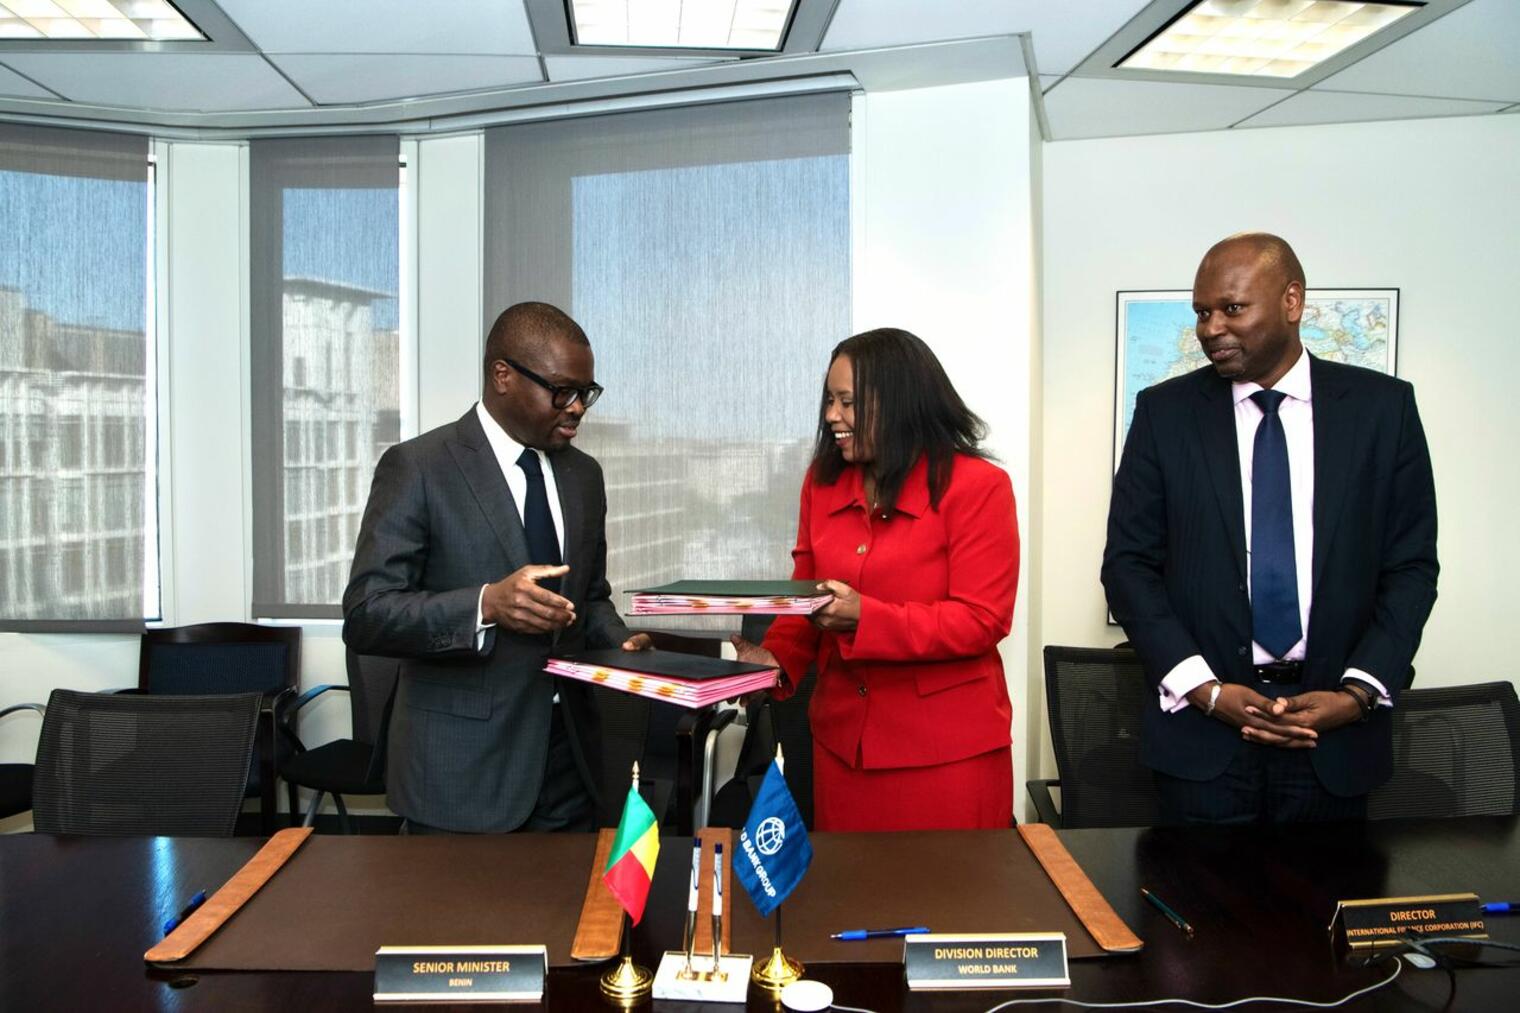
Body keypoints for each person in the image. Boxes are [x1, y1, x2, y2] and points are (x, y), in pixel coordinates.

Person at [1101, 233, 1438, 824]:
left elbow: (1410, 567)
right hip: (1203, 741)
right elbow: (1129, 566)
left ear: (1292, 301)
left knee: (1330, 885)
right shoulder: (1164, 414)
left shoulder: (1383, 410)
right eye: (1202, 312)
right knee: (1193, 887)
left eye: (1232, 308)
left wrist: (1358, 694)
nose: (1211, 328)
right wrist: (1204, 691)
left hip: (1335, 741)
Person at [343, 302, 649, 833]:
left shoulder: (584, 476)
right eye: (562, 391)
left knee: (572, 892)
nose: (578, 408)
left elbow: (589, 595)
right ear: (502, 376)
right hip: (460, 771)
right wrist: (486, 604)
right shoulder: (419, 467)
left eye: (586, 393)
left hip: (569, 761)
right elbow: (367, 614)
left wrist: (618, 642)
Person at [733, 328, 1020, 831]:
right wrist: (773, 661)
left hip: (947, 756)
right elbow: (804, 594)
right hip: (843, 750)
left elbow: (982, 619)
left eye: (847, 402)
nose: (831, 415)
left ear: (899, 403)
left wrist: (866, 617)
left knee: (953, 885)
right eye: (829, 400)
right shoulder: (821, 483)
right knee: (850, 883)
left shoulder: (979, 487)